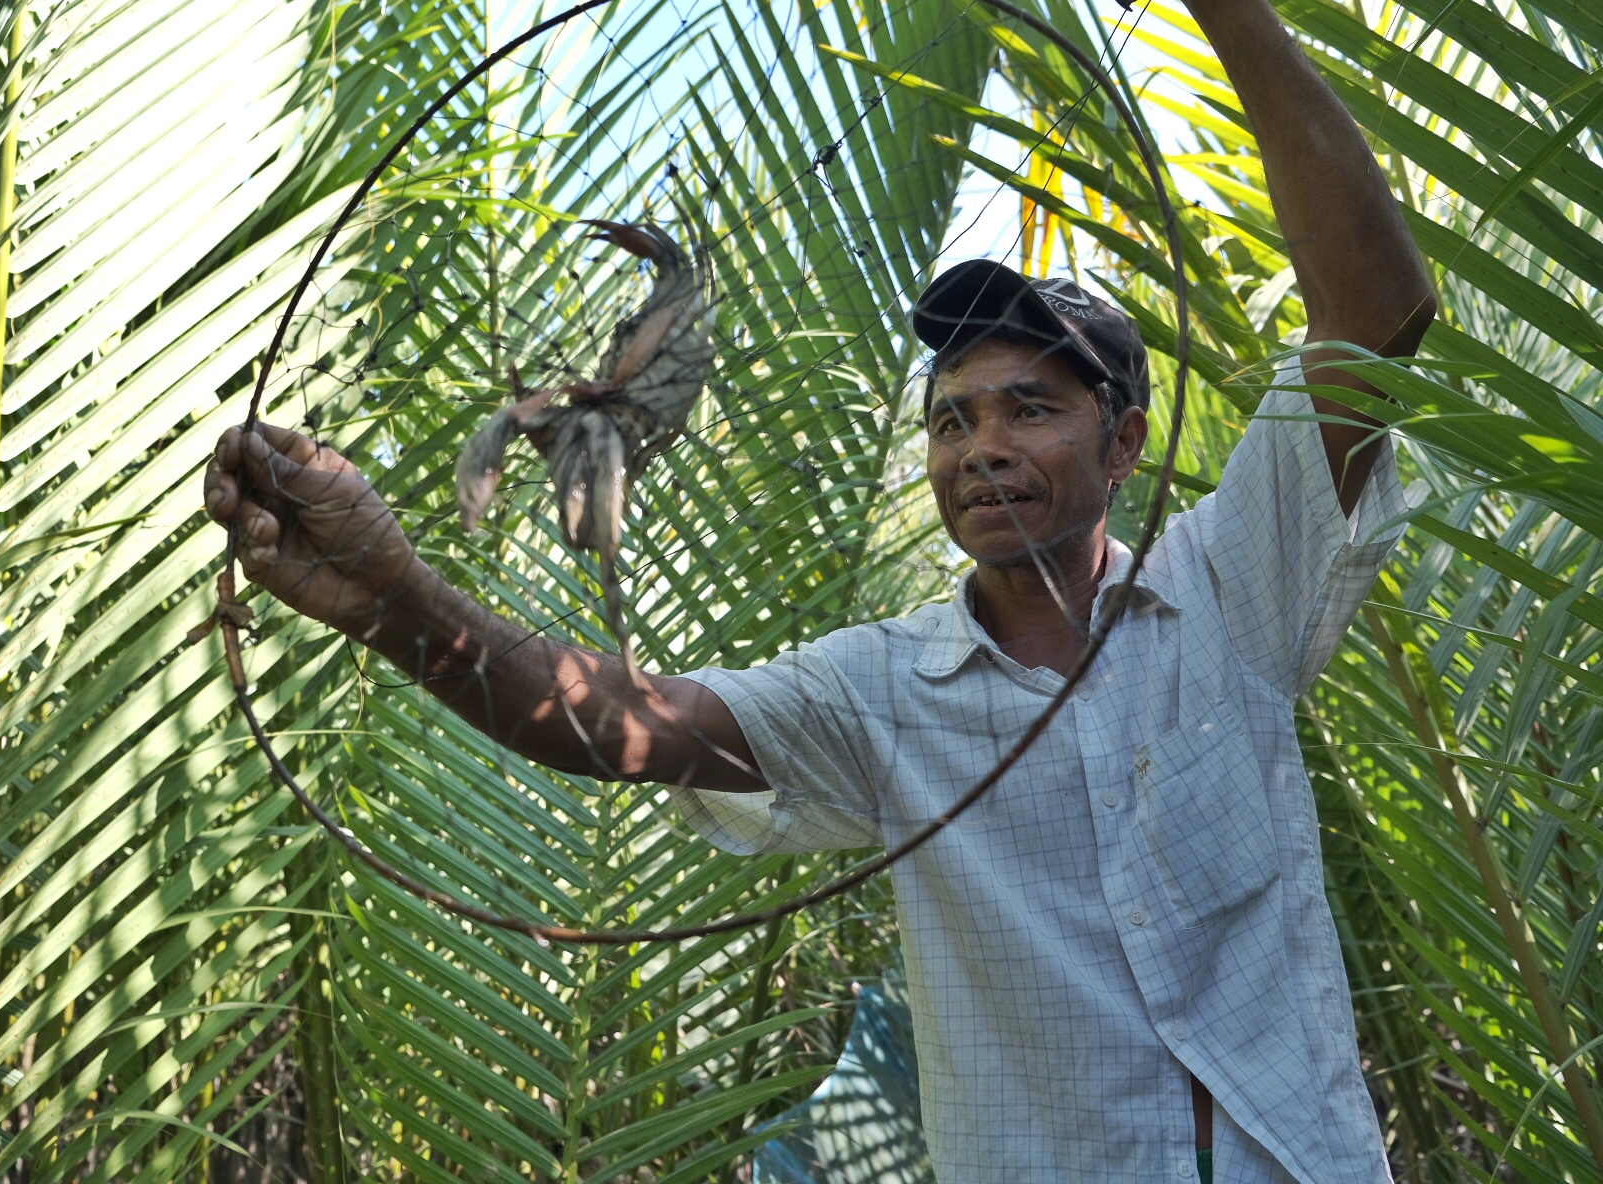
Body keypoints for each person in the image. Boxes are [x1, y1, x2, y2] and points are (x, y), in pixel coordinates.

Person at [204, 0, 1434, 1178]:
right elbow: (629, 725)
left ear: (1123, 445)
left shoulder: (1234, 586)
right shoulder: (884, 691)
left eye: (1031, 409)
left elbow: (1376, 310)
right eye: (952, 420)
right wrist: (389, 593)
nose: (980, 447)